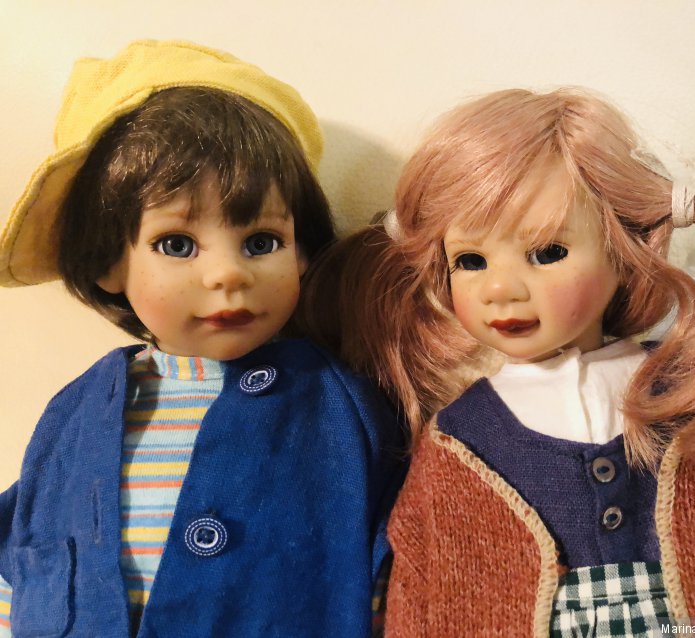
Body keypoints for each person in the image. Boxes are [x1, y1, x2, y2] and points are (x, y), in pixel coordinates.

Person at [301, 88, 695, 636]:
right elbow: (426, 591)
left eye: (548, 253)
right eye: (470, 261)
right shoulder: (459, 440)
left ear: (622, 250)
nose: (501, 288)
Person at [0, 40, 402, 637]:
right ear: (110, 262)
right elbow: (26, 539)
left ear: (302, 254)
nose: (227, 274)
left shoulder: (339, 405)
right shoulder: (78, 412)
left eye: (262, 242)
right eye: (177, 244)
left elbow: (395, 543)